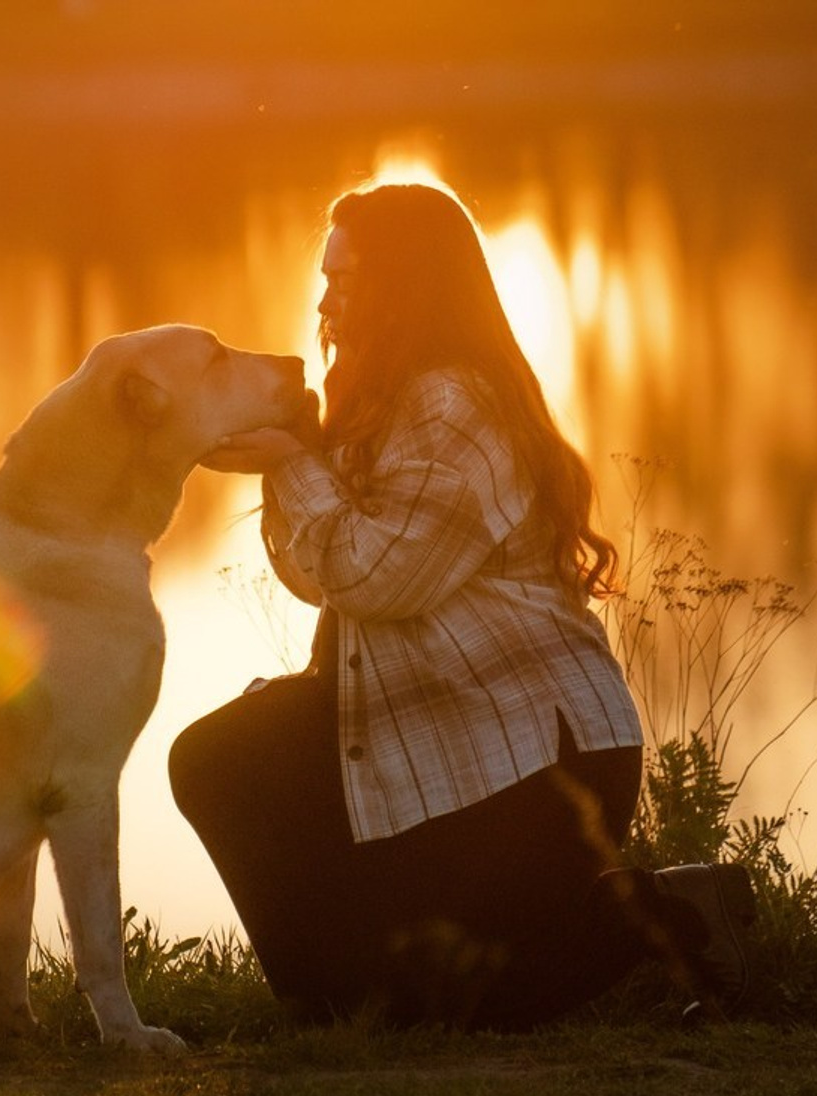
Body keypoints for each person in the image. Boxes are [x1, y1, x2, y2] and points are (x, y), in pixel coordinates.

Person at [169, 182, 756, 1030]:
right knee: (219, 759)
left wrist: (293, 467)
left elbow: (378, 578)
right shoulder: (379, 398)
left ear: (404, 285)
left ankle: (677, 913)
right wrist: (300, 457)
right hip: (434, 735)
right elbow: (325, 579)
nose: (327, 298)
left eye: (348, 278)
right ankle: (332, 1003)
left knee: (453, 1006)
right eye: (325, 277)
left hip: (534, 767)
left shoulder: (456, 403)